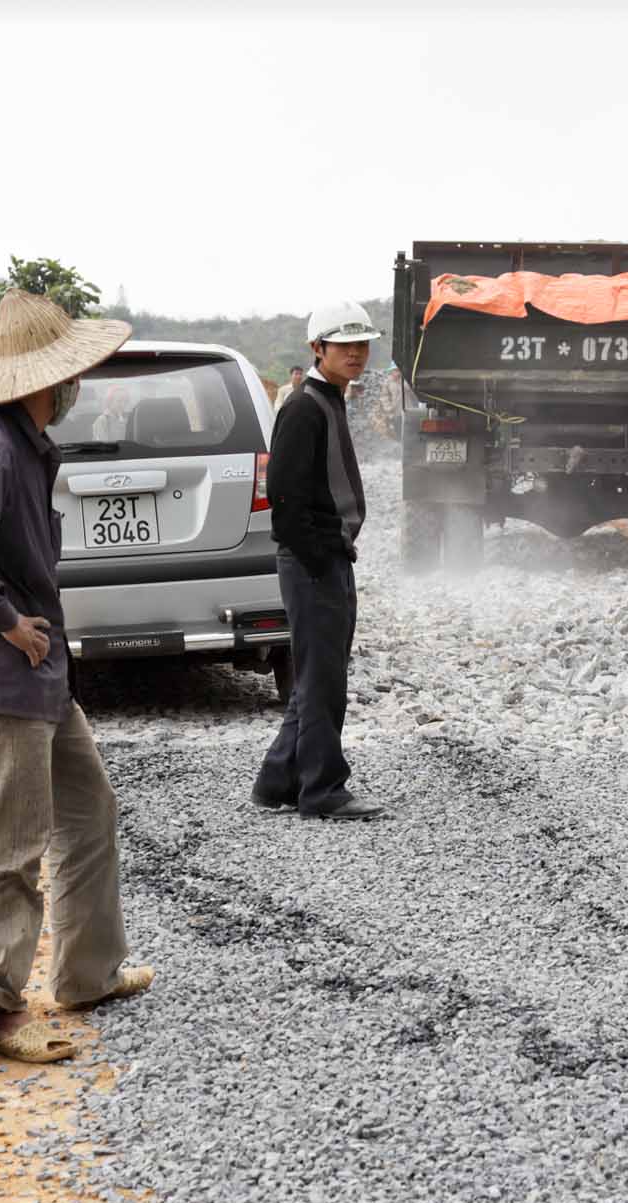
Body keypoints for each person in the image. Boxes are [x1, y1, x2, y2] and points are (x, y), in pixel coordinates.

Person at [0, 289, 152, 1061]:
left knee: (88, 813)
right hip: (8, 670)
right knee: (11, 840)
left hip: (42, 675)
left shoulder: (27, 444)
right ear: (48, 382)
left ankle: (87, 972)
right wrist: (4, 618)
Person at [251, 300, 385, 820]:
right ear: (317, 348)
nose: (355, 353)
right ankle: (323, 789)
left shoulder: (329, 399)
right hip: (314, 562)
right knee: (325, 679)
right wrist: (316, 557)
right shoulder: (305, 407)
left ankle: (278, 778)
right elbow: (283, 502)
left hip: (329, 557)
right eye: (343, 344)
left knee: (316, 674)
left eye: (361, 344)